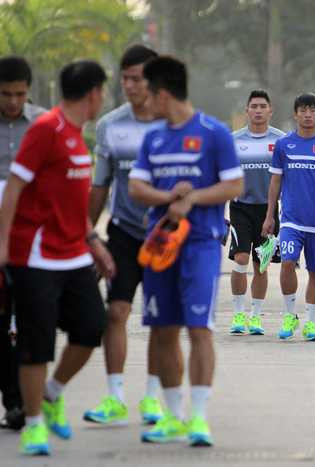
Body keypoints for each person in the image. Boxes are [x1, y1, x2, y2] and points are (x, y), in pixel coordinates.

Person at [128, 56, 244, 446]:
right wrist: (168, 198)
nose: (144, 101)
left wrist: (192, 198)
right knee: (163, 330)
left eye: (148, 93)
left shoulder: (214, 133)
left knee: (199, 328)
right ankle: (173, 416)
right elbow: (137, 187)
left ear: (162, 94)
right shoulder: (153, 138)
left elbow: (234, 185)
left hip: (201, 245)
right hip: (161, 246)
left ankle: (198, 418)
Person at [0, 60, 113, 456]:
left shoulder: (76, 133)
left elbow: (70, 200)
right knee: (36, 342)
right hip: (36, 256)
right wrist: (3, 245)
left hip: (74, 253)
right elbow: (14, 188)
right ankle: (33, 427)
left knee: (91, 327)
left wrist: (93, 242)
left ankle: (51, 393)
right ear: (94, 93)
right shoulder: (46, 129)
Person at [83, 45, 165, 427]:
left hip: (165, 236)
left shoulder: (172, 123)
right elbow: (100, 185)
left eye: (138, 78)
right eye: (126, 78)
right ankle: (115, 397)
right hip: (123, 233)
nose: (130, 86)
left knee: (160, 318)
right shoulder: (110, 125)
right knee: (116, 311)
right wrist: (86, 236)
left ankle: (152, 398)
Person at [262, 93, 315, 341]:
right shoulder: (284, 144)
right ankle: (289, 314)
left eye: (313, 110)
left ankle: (311, 323)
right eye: (303, 110)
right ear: (295, 114)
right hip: (291, 219)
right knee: (287, 262)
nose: (308, 115)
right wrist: (270, 215)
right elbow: (275, 181)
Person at [0, 55, 45, 431]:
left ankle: (32, 398)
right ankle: (14, 402)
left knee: (31, 319)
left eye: (19, 94)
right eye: (5, 94)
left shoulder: (44, 124)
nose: (13, 102)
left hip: (33, 237)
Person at [228, 90, 285, 335]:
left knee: (261, 265)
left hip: (268, 209)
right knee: (241, 259)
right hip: (240, 207)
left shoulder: (281, 141)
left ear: (270, 110)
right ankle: (238, 314)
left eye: (263, 106)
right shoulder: (233, 140)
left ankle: (255, 316)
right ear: (247, 111)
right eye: (254, 106)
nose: (258, 110)